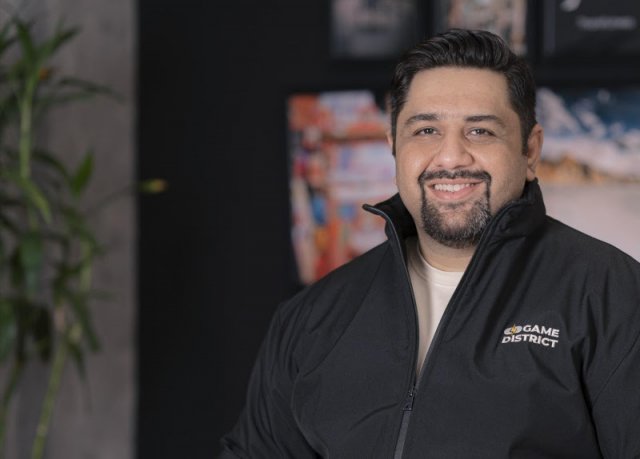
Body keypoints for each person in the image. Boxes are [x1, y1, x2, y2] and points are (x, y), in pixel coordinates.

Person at [220, 29, 640, 458]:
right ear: (394, 148)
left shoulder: (612, 294)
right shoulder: (311, 317)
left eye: (480, 131)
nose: (451, 157)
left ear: (530, 152)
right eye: (425, 131)